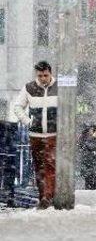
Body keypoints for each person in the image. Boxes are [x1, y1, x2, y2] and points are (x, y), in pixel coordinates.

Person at [13, 61, 58, 209]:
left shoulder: (59, 88)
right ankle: (43, 195)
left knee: (51, 164)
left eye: (45, 75)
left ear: (50, 73)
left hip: (53, 134)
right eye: (40, 76)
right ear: (36, 75)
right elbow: (18, 106)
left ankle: (48, 196)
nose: (43, 78)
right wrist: (28, 121)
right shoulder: (29, 88)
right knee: (39, 166)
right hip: (36, 135)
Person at [78, 124, 96, 189]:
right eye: (91, 130)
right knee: (89, 182)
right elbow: (89, 146)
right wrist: (93, 137)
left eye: (93, 130)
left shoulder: (95, 138)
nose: (92, 132)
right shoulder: (83, 137)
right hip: (87, 163)